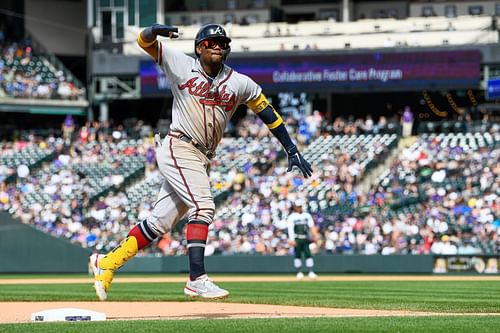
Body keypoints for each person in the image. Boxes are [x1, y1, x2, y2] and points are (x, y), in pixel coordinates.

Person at [89, 23, 312, 301]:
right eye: (211, 42)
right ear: (199, 47)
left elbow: (268, 113)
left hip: (202, 156)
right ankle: (197, 279)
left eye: (222, 42)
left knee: (159, 223)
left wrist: (291, 149)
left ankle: (106, 262)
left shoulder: (240, 82)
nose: (218, 46)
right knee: (204, 206)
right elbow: (143, 42)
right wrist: (153, 30)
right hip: (179, 145)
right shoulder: (181, 64)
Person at [287, 199, 318, 280]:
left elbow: (311, 226)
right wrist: (292, 239)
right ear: (295, 207)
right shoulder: (292, 217)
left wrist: (315, 235)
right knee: (298, 255)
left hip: (306, 238)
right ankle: (299, 272)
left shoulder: (307, 215)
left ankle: (311, 272)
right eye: (299, 206)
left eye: (301, 206)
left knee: (308, 254)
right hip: (297, 238)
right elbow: (290, 229)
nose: (300, 208)